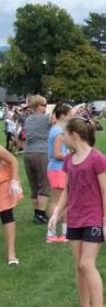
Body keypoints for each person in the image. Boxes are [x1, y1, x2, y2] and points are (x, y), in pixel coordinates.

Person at [48, 117, 106, 307]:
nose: (62, 137)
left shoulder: (97, 159)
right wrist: (57, 212)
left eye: (64, 134)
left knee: (87, 264)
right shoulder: (69, 160)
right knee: (79, 265)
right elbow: (67, 189)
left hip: (93, 218)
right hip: (74, 218)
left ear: (74, 135)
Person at [23, 95, 51, 224]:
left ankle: (37, 213)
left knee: (34, 186)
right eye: (45, 105)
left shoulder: (28, 119)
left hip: (27, 153)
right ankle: (40, 215)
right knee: (43, 185)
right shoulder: (45, 119)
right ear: (38, 106)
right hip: (41, 153)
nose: (46, 107)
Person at [46, 103, 72, 242]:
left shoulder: (56, 129)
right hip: (57, 169)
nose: (71, 117)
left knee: (62, 202)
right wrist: (72, 155)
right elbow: (57, 154)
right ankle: (51, 234)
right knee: (57, 202)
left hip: (57, 169)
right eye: (69, 114)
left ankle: (64, 233)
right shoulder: (58, 132)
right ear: (63, 115)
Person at [0, 144, 23, 265]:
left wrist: (14, 181)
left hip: (3, 182)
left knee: (6, 214)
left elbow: (13, 160)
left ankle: (11, 254)